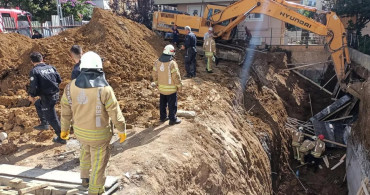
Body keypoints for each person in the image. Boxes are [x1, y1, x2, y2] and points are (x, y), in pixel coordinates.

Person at [60, 51, 127, 194]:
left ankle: (85, 178)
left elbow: (65, 111)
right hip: (99, 135)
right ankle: (95, 190)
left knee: (85, 151)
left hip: (80, 132)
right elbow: (115, 112)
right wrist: (121, 129)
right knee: (99, 161)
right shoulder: (105, 89)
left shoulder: (70, 87)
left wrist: (64, 129)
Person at [28, 52, 64, 144]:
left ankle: (62, 137)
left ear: (32, 61)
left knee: (52, 118)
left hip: (47, 97)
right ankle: (44, 123)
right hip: (55, 94)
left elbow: (33, 86)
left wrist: (31, 95)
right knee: (38, 104)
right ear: (42, 59)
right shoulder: (51, 67)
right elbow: (59, 80)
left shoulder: (34, 71)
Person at [152, 45, 182, 125]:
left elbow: (154, 74)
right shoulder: (172, 63)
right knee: (172, 104)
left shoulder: (157, 62)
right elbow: (176, 76)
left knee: (162, 103)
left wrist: (156, 82)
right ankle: (172, 119)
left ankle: (163, 117)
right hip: (171, 89)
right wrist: (179, 86)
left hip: (161, 88)